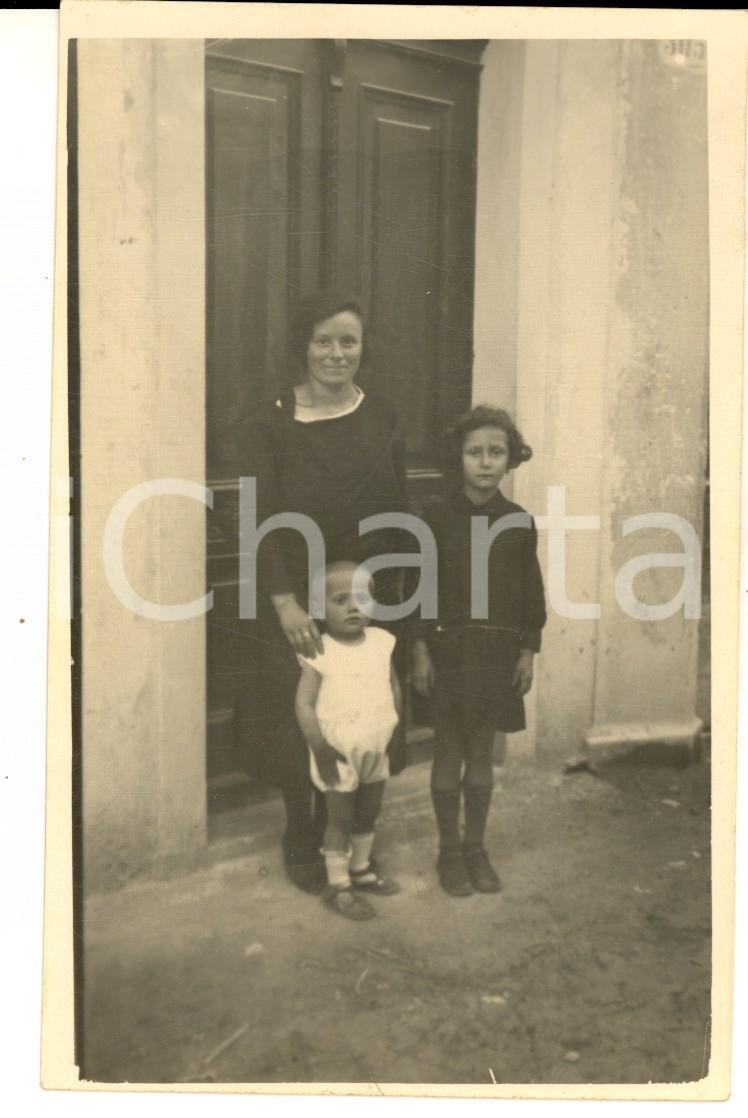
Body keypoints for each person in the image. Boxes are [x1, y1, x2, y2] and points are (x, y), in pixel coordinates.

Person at [235, 291, 410, 895]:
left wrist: (386, 592)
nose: (337, 354)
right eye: (324, 341)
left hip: (362, 594)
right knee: (300, 711)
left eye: (349, 341)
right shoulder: (270, 423)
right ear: (302, 346)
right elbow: (256, 517)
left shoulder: (383, 415)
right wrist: (284, 601)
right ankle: (300, 835)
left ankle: (353, 834)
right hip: (296, 592)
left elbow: (399, 506)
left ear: (364, 347)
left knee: (358, 706)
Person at [411, 405, 547, 897]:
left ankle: (476, 847)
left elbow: (530, 593)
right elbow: (420, 587)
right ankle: (449, 850)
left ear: (511, 460)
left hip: (495, 653)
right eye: (475, 452)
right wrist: (420, 649)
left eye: (497, 452)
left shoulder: (517, 522)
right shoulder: (435, 517)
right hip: (448, 652)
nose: (486, 462)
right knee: (449, 748)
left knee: (481, 749)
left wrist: (527, 650)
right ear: (458, 458)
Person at [295, 560, 402, 920]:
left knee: (369, 811)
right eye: (341, 600)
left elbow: (393, 686)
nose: (354, 607)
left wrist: (393, 730)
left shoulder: (381, 641)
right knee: (339, 818)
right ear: (318, 610)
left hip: (376, 742)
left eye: (361, 598)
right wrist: (320, 748)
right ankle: (338, 885)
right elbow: (304, 705)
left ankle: (361, 869)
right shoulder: (320, 650)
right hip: (338, 750)